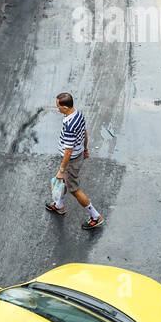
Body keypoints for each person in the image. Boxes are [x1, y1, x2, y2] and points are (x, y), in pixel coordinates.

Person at [45, 91, 103, 229]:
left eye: (58, 107)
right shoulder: (78, 114)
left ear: (65, 108)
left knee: (74, 189)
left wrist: (62, 169)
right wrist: (85, 149)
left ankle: (96, 216)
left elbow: (68, 151)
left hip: (71, 161)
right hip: (78, 154)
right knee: (63, 182)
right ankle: (59, 205)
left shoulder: (69, 125)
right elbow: (84, 133)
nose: (57, 109)